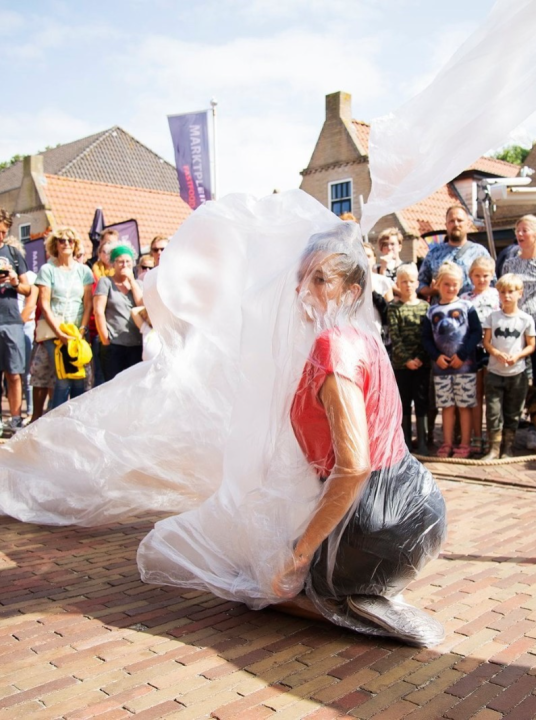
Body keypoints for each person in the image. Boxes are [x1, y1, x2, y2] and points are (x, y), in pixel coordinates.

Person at [422, 262, 482, 458]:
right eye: (446, 284)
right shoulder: (431, 311)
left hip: (465, 368)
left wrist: (462, 355)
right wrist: (436, 356)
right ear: (438, 284)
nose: (451, 288)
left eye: (455, 284)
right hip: (441, 370)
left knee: (464, 407)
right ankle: (447, 443)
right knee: (446, 407)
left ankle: (464, 444)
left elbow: (476, 332)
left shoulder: (467, 306)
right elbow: (426, 338)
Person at [35, 227, 94, 408]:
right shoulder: (47, 269)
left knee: (78, 379)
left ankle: (74, 422)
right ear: (56, 244)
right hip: (55, 331)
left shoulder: (84, 271)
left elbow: (88, 303)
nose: (66, 243)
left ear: (75, 244)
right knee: (62, 379)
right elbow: (44, 304)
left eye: (70, 240)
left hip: (77, 331)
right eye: (62, 240)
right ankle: (55, 423)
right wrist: (59, 332)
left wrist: (82, 329)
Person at [482, 274, 535, 460]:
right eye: (502, 292)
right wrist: (496, 353)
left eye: (511, 292)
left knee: (513, 412)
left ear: (520, 293)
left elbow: (531, 344)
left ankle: (508, 448)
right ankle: (494, 448)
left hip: (517, 373)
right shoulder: (493, 317)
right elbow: (486, 341)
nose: (507, 296)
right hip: (495, 372)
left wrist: (518, 355)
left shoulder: (525, 319)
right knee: (493, 411)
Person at [387, 263, 430, 455]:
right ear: (398, 284)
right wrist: (406, 360)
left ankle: (422, 441)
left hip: (422, 364)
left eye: (411, 281)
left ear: (417, 283)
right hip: (401, 365)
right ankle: (405, 442)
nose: (408, 285)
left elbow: (427, 336)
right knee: (403, 401)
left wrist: (420, 357)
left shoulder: (425, 307)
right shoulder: (394, 308)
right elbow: (394, 336)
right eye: (403, 281)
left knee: (421, 400)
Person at [460, 256, 500, 455]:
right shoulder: (465, 298)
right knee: (475, 395)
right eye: (477, 275)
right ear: (470, 276)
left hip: (493, 349)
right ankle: (476, 436)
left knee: (491, 395)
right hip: (471, 350)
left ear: (492, 275)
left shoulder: (497, 295)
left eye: (485, 275)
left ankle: (493, 439)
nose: (481, 279)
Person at [0, 209, 32, 435]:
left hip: (11, 320)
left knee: (14, 373)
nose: (0, 236)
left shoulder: (12, 252)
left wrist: (12, 281)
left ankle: (15, 419)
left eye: (3, 232)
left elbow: (27, 288)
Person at [418, 205, 492, 299]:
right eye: (451, 221)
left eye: (460, 220)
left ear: (468, 224)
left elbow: (493, 283)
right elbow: (419, 283)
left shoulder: (480, 253)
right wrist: (433, 291)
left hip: (473, 310)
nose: (456, 224)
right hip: (443, 311)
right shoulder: (434, 253)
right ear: (446, 225)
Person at [93, 245, 143, 381]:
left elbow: (142, 306)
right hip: (114, 344)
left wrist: (131, 281)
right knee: (114, 385)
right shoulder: (106, 282)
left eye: (127, 261)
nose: (124, 265)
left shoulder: (138, 284)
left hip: (136, 343)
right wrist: (105, 340)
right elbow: (98, 311)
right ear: (113, 263)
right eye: (120, 261)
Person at [502, 215, 536, 379]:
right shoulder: (510, 264)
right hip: (516, 325)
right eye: (517, 231)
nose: (520, 234)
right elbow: (503, 291)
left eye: (525, 230)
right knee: (518, 372)